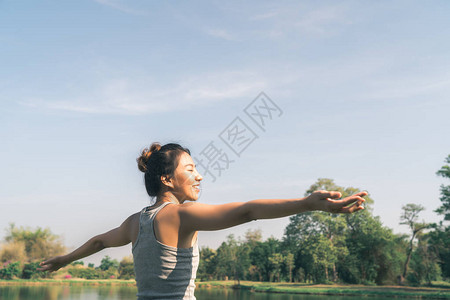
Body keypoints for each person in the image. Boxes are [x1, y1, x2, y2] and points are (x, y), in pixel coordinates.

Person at [39, 142, 367, 299]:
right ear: (167, 180)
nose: (198, 176)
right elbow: (247, 211)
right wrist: (308, 204)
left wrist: (63, 259)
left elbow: (98, 242)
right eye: (190, 169)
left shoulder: (134, 222)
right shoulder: (180, 215)